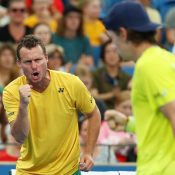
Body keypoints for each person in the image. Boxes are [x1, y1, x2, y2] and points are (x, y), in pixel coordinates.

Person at [2, 35, 101, 175]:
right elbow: (19, 137)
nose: (34, 66)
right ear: (19, 63)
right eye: (28, 62)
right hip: (30, 171)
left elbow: (93, 113)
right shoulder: (11, 91)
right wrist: (23, 106)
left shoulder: (71, 83)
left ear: (46, 58)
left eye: (38, 60)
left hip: (69, 171)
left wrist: (89, 151)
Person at [103, 1, 175, 175]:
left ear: (123, 33)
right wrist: (129, 124)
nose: (115, 47)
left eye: (113, 39)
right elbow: (161, 121)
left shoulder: (149, 65)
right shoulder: (162, 58)